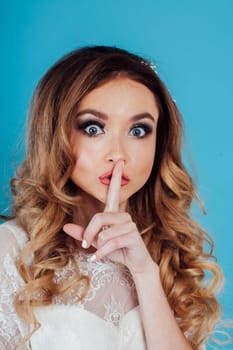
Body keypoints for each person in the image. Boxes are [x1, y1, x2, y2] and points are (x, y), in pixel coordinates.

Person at [0, 45, 224, 350]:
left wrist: (145, 273)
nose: (119, 153)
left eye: (138, 131)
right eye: (93, 128)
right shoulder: (12, 253)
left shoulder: (170, 255)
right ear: (56, 135)